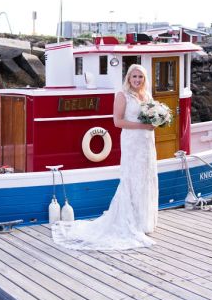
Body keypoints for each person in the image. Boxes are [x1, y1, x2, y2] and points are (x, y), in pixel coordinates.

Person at [51, 64, 158, 250]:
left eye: (140, 77)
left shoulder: (147, 95)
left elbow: (150, 118)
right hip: (132, 141)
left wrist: (155, 123)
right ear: (128, 78)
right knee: (132, 178)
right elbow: (118, 122)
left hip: (146, 142)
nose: (137, 80)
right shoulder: (122, 95)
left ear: (144, 78)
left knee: (145, 177)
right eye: (134, 76)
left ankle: (143, 221)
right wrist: (143, 127)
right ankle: (130, 220)